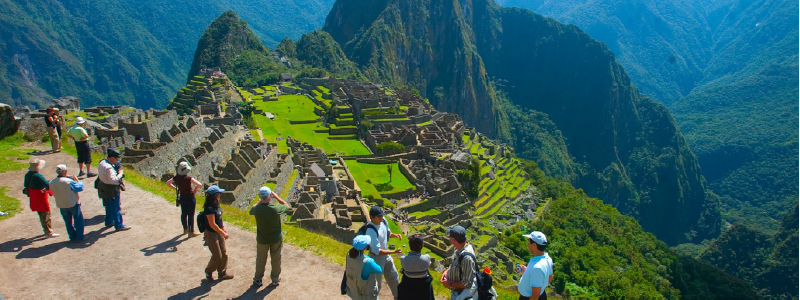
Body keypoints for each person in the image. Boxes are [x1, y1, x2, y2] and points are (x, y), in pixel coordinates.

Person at [250, 186, 291, 287]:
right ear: (270, 196)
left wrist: (260, 201)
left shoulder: (256, 209)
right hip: (275, 239)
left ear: (260, 197)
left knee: (260, 259)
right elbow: (288, 207)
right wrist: (277, 197)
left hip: (262, 239)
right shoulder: (275, 208)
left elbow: (251, 209)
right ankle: (275, 279)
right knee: (276, 259)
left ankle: (258, 279)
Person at [364, 206, 402, 298]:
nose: (382, 218)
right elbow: (377, 251)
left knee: (394, 277)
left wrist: (395, 235)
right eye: (379, 216)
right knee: (376, 283)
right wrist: (394, 251)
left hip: (386, 256)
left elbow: (387, 233)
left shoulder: (383, 221)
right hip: (376, 258)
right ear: (372, 217)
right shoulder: (370, 230)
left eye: (382, 215)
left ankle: (399, 297)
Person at [202, 185, 234, 281]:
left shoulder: (216, 204)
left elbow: (219, 217)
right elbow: (212, 224)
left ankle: (222, 273)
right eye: (219, 194)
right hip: (211, 234)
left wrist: (223, 228)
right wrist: (223, 233)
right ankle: (209, 271)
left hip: (219, 231)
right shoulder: (209, 208)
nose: (220, 195)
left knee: (224, 254)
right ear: (215, 195)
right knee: (217, 256)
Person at [97, 148, 130, 231]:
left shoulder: (102, 163)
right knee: (116, 207)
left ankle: (109, 221)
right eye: (116, 158)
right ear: (111, 158)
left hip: (103, 186)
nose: (117, 160)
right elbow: (114, 180)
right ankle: (119, 224)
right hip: (111, 188)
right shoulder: (109, 168)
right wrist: (120, 174)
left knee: (108, 205)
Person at [23, 158, 58, 237]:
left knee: (40, 213)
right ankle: (48, 231)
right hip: (40, 196)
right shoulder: (38, 176)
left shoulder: (27, 175)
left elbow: (26, 185)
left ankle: (46, 229)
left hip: (33, 196)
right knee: (46, 214)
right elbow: (47, 184)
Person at [49, 164, 85, 242]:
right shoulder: (69, 181)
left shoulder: (52, 182)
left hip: (61, 204)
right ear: (65, 171)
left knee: (68, 222)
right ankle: (79, 237)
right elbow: (80, 187)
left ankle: (72, 236)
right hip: (72, 202)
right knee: (78, 220)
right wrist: (76, 180)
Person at [166, 162, 202, 237]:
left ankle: (185, 229)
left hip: (182, 197)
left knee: (184, 214)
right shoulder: (189, 178)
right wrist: (195, 189)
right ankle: (191, 231)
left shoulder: (176, 178)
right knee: (191, 215)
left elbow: (168, 183)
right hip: (190, 197)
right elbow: (199, 185)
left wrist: (176, 188)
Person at [441, 225, 476, 300]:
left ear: (454, 240)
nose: (449, 238)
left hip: (462, 295)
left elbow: (467, 283)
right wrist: (447, 272)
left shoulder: (467, 258)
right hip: (456, 292)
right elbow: (455, 265)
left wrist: (449, 283)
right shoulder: (458, 249)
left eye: (450, 236)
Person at [516, 231, 554, 300]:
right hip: (541, 294)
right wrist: (527, 271)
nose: (527, 243)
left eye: (529, 241)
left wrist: (534, 272)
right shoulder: (547, 259)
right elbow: (549, 279)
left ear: (534, 245)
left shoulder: (537, 268)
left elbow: (535, 296)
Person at [398, 233, 434, 300]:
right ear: (422, 246)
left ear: (409, 245)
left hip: (408, 287)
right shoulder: (427, 258)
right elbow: (428, 263)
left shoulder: (403, 259)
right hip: (424, 288)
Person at [345, 235, 383, 300]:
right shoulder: (368, 262)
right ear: (365, 248)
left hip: (354, 291)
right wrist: (369, 258)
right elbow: (379, 269)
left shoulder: (349, 255)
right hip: (365, 295)